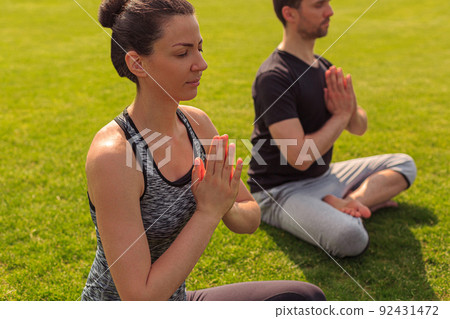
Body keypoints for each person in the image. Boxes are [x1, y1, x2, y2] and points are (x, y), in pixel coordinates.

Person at [80, 0, 326, 301]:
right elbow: (139, 298)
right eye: (183, 53)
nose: (201, 63)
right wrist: (208, 212)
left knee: (303, 297)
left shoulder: (197, 124)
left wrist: (225, 204)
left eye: (200, 48)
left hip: (178, 301)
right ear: (137, 64)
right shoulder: (115, 155)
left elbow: (250, 216)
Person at [248, 0, 417, 258]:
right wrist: (340, 116)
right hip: (280, 190)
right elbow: (300, 158)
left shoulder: (324, 66)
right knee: (350, 237)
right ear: (289, 13)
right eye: (318, 5)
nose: (330, 12)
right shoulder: (274, 77)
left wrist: (349, 109)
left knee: (404, 164)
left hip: (325, 177)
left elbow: (359, 127)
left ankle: (351, 202)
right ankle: (347, 206)